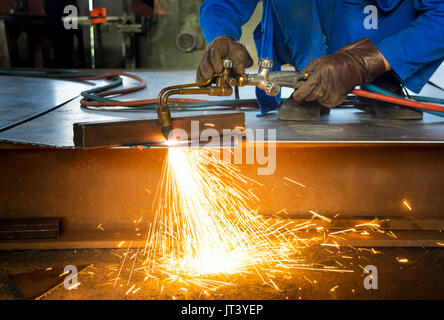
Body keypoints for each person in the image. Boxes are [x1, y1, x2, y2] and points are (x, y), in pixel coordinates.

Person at [196, 0, 444, 120]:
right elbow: (225, 3)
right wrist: (222, 36)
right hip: (308, 45)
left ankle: (384, 76)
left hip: (384, 49)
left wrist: (368, 62)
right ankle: (310, 81)